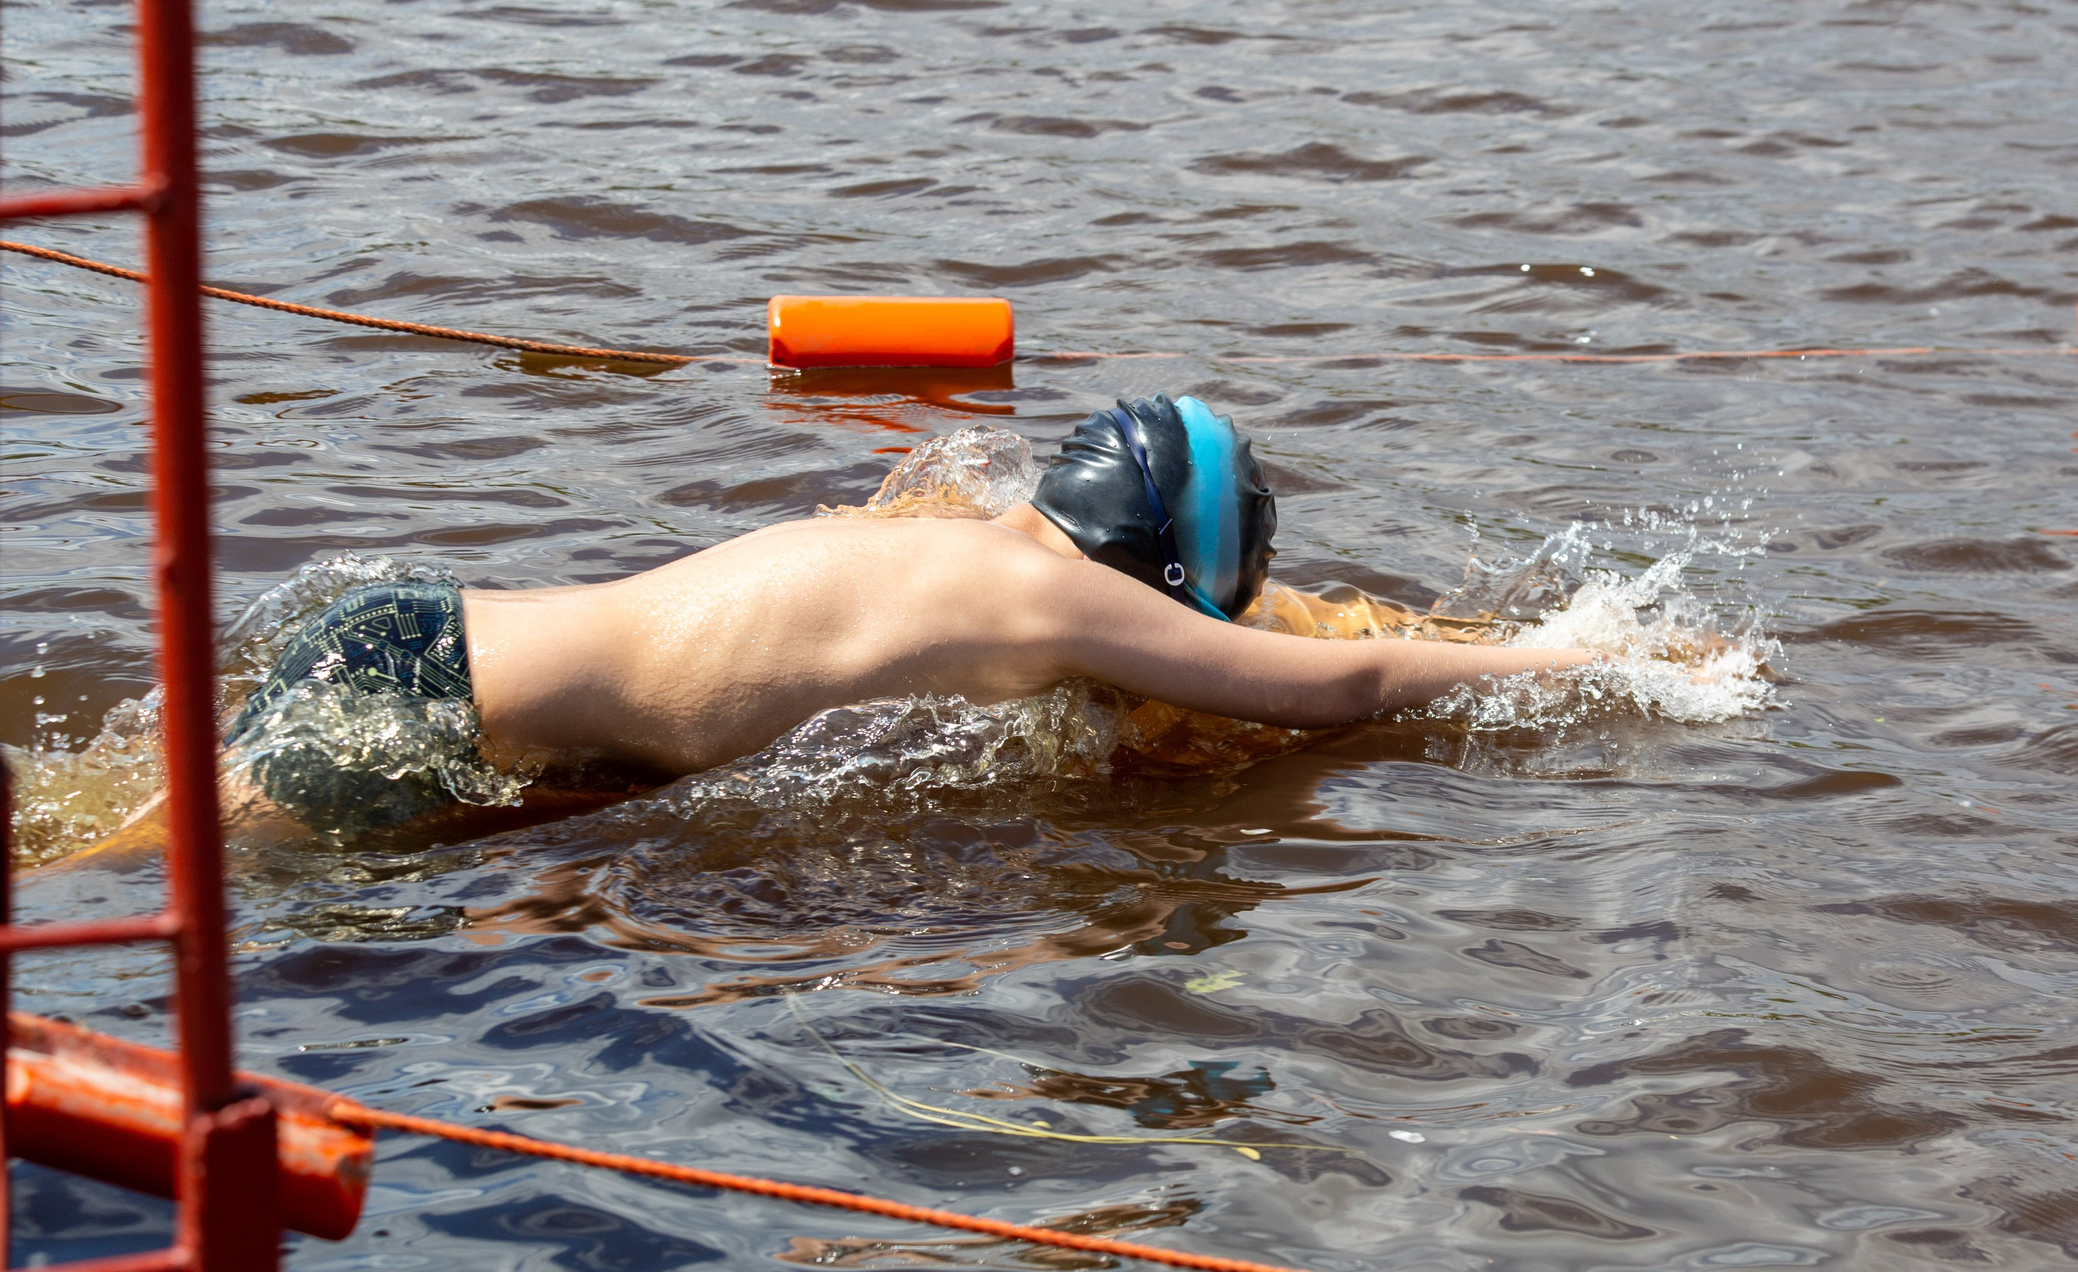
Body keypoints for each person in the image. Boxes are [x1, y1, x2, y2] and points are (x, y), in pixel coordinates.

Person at [220, 395, 1614, 839]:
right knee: (109, 901)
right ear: (1170, 580)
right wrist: (1577, 658)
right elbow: (1348, 686)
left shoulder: (961, 537)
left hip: (414, 639)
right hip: (424, 704)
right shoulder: (1063, 601)